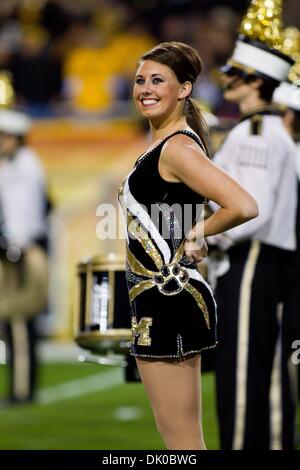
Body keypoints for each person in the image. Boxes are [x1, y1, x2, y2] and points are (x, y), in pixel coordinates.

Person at [118, 41, 258, 450]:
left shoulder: (177, 147)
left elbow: (244, 204)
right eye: (140, 80)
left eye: (158, 80)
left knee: (182, 442)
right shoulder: (167, 145)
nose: (145, 88)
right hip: (161, 301)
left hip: (170, 301)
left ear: (184, 89)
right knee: (180, 439)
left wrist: (200, 233)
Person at [208, 8, 298, 449]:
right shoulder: (259, 130)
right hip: (264, 261)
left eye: (238, 73)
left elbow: (250, 210)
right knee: (265, 367)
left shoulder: (258, 133)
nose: (229, 79)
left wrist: (206, 236)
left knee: (241, 370)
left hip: (252, 260)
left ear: (257, 80)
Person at [0, 108, 49, 404]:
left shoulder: (24, 166)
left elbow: (23, 215)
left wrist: (14, 245)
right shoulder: (11, 165)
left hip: (23, 251)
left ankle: (22, 390)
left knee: (18, 320)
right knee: (11, 321)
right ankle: (20, 387)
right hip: (15, 250)